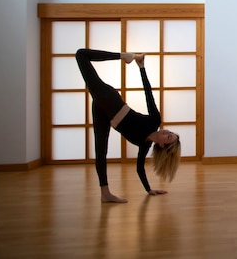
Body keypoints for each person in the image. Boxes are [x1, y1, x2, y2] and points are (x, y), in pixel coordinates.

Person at [75, 48, 181, 203]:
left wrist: (149, 190)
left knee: (100, 151)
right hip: (110, 100)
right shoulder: (154, 121)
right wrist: (142, 68)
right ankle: (123, 56)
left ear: (162, 144)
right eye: (170, 132)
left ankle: (105, 194)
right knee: (81, 55)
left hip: (105, 114)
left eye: (169, 136)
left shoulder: (143, 146)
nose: (166, 131)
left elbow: (140, 169)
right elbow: (148, 94)